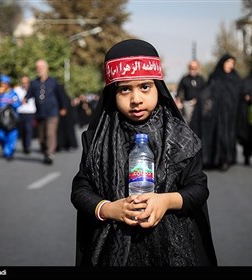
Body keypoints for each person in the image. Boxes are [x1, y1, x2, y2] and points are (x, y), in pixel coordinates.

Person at [71, 39, 217, 267]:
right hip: (114, 251)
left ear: (158, 87)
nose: (136, 99)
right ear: (112, 93)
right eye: (125, 89)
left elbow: (198, 188)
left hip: (172, 252)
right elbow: (80, 190)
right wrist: (109, 209)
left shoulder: (181, 137)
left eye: (145, 87)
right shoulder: (97, 139)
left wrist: (166, 201)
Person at [192, 54, 242, 171]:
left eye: (232, 63)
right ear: (223, 63)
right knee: (216, 136)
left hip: (230, 113)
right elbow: (207, 91)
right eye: (229, 62)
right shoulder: (215, 76)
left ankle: (225, 160)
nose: (231, 65)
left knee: (227, 136)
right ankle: (215, 159)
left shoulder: (235, 77)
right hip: (216, 114)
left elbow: (239, 92)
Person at [24, 59, 68, 164]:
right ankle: (45, 150)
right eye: (37, 68)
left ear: (46, 68)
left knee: (50, 133)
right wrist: (25, 99)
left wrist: (63, 107)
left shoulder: (54, 82)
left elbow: (61, 96)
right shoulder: (34, 83)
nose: (39, 69)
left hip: (52, 112)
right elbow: (29, 94)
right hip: (40, 114)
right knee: (42, 137)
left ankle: (50, 153)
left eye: (41, 67)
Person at [0, 75, 21, 160]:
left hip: (11, 119)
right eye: (1, 83)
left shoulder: (13, 93)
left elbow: (17, 104)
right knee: (1, 135)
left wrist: (11, 103)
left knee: (12, 136)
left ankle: (9, 152)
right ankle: (6, 148)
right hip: (0, 119)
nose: (3, 85)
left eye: (4, 83)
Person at [176, 60, 206, 124]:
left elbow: (205, 91)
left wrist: (198, 100)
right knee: (189, 122)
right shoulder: (184, 79)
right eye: (191, 67)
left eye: (195, 67)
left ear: (197, 68)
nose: (193, 69)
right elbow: (179, 91)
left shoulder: (201, 79)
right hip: (187, 104)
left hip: (199, 104)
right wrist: (178, 101)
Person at [15, 75, 36, 154]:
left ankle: (28, 146)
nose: (24, 84)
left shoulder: (32, 90)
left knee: (28, 130)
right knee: (22, 131)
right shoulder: (17, 90)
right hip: (20, 112)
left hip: (30, 113)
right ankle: (24, 145)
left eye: (26, 82)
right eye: (23, 82)